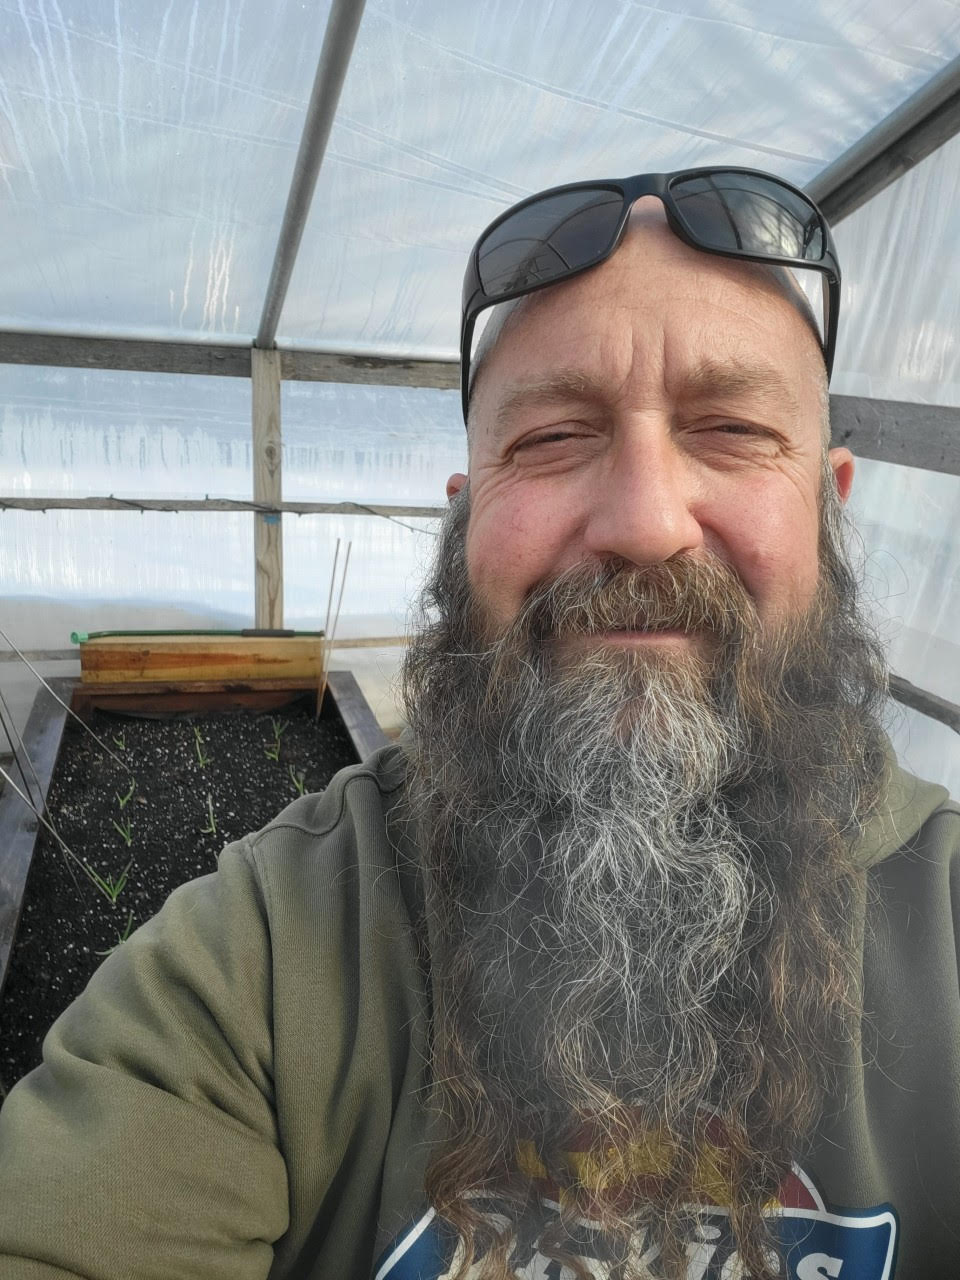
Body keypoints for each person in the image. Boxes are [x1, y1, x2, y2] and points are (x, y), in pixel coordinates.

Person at [0, 167, 957, 1280]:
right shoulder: (269, 955)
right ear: (463, 519)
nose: (646, 521)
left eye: (732, 428)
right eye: (553, 437)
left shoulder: (940, 916)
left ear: (831, 500)